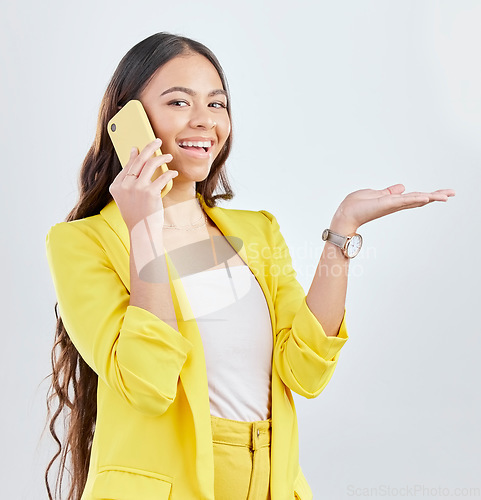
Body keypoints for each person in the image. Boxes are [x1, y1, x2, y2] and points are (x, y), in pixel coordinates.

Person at [44, 32, 455, 500]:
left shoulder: (256, 233)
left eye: (217, 105)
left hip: (272, 484)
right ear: (130, 119)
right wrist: (145, 230)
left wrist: (342, 233)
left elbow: (305, 371)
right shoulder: (82, 242)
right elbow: (147, 384)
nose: (205, 121)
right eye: (179, 102)